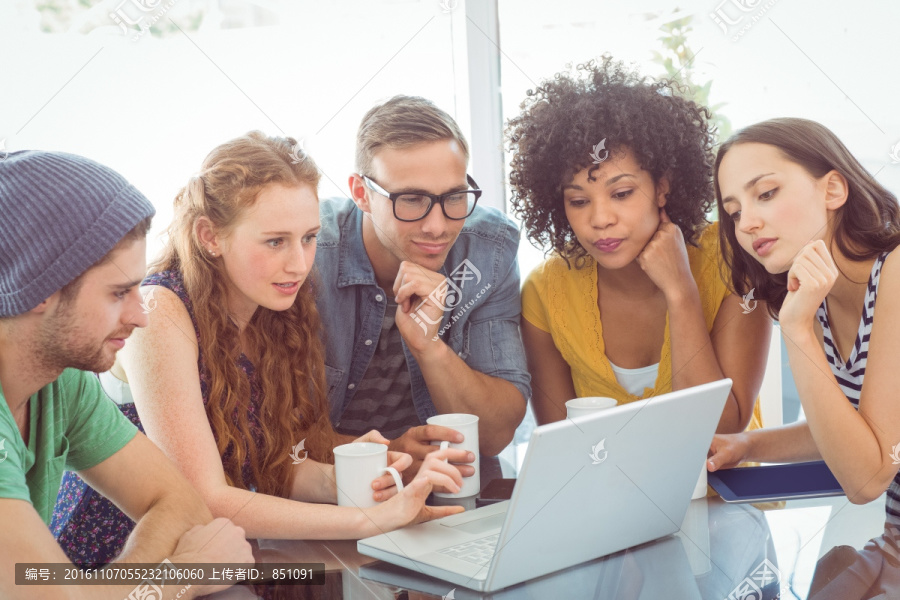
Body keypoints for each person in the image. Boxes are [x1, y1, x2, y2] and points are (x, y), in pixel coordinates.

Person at [51, 132, 467, 566]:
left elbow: (272, 466)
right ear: (210, 235)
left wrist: (347, 482)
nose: (299, 263)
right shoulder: (161, 310)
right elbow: (205, 499)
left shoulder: (277, 305)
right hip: (117, 557)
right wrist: (367, 521)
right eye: (275, 242)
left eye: (308, 238)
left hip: (213, 556)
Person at [0, 150, 252, 599]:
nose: (141, 317)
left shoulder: (62, 381)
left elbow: (180, 505)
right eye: (119, 293)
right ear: (39, 290)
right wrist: (181, 576)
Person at [506, 57, 770, 431]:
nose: (599, 219)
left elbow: (723, 426)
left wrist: (680, 292)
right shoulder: (545, 293)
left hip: (726, 489)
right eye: (578, 201)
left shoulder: (731, 259)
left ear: (661, 186)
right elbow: (561, 442)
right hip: (606, 490)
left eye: (622, 192)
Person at [317, 95, 531, 478]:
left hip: (452, 488)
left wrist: (430, 347)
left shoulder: (488, 249)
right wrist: (385, 454)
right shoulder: (309, 253)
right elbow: (268, 441)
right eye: (411, 200)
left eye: (454, 196)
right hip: (330, 496)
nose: (438, 226)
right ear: (362, 193)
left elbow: (495, 435)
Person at [709, 117, 900, 518]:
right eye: (733, 211)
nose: (745, 224)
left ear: (832, 189)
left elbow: (867, 478)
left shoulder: (896, 272)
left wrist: (796, 329)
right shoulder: (814, 294)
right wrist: (747, 445)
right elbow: (850, 430)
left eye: (766, 193)